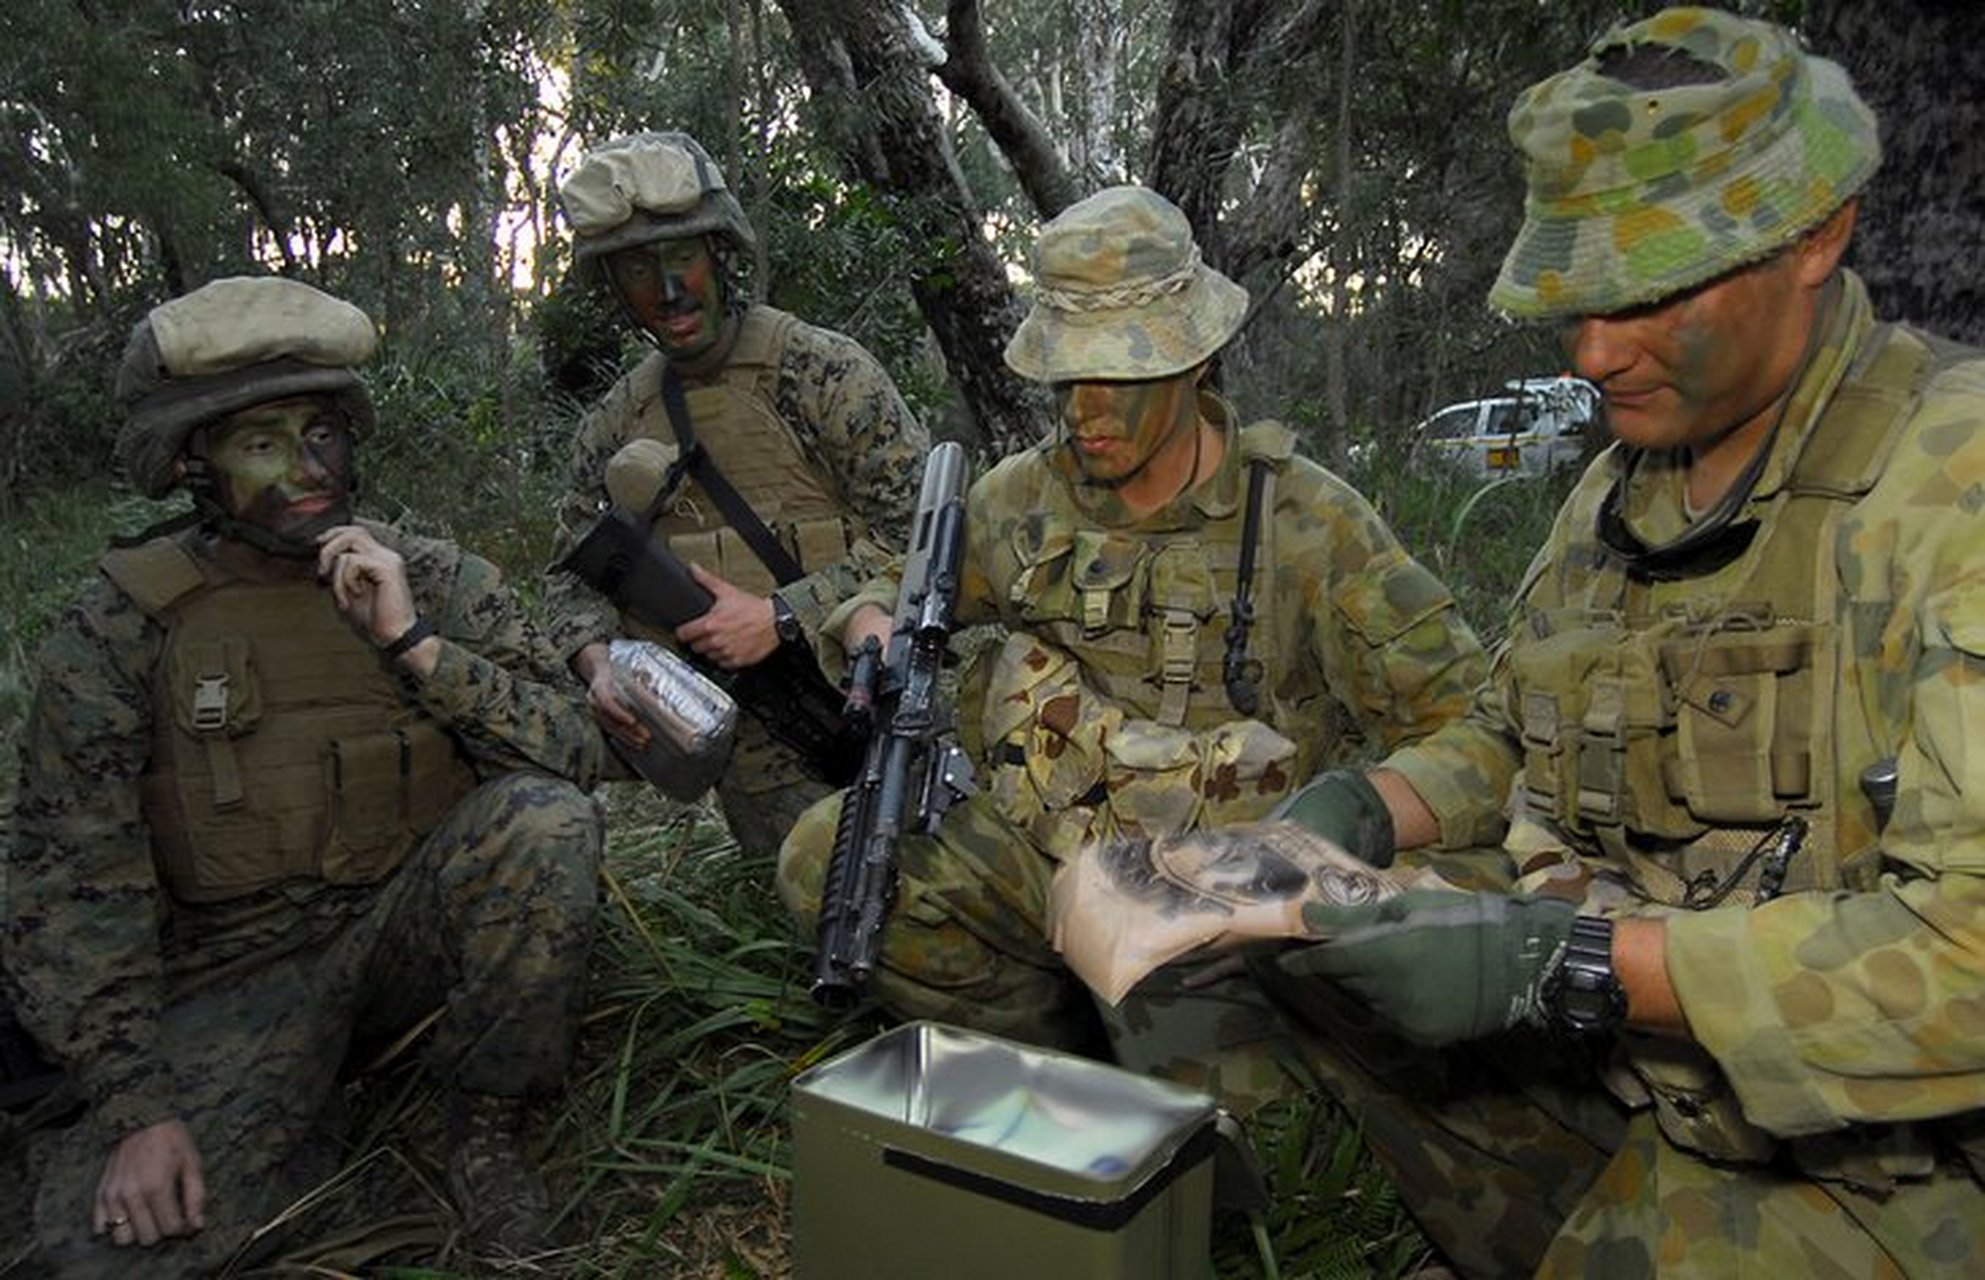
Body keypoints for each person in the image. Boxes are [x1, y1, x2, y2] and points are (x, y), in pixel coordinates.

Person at [1121, 8, 1985, 1275]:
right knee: (1287, 955)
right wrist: (1375, 801)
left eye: (1650, 292)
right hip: (1642, 1062)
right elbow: (1521, 728)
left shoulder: (1946, 486)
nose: (1590, 352)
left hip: (1885, 1155)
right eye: (1577, 296)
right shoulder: (1616, 492)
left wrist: (1572, 966)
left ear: (1816, 235)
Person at [777, 184, 1490, 1099]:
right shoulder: (1018, 500)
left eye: (1121, 372)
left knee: (1232, 1146)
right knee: (822, 857)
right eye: (1068, 376)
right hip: (1044, 846)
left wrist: (1325, 864)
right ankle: (1053, 1072)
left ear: (1197, 361)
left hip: (1215, 904)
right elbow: (911, 592)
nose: (1086, 410)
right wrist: (872, 621)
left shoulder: (1308, 524)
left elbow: (1471, 726)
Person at [2, 276, 607, 1275]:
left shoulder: (431, 576)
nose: (304, 468)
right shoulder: (125, 621)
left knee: (542, 821)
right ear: (195, 462)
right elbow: (72, 878)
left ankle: (478, 1124)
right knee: (104, 1252)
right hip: (229, 977)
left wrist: (415, 645)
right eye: (262, 442)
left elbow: (581, 756)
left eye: (321, 432)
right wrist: (135, 1105)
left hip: (409, 938)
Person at [545, 130, 931, 861]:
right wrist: (598, 667)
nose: (666, 290)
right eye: (636, 269)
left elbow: (929, 536)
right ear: (613, 288)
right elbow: (567, 578)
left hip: (871, 703)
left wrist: (784, 615)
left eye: (681, 258)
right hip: (747, 751)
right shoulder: (615, 421)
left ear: (720, 256)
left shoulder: (820, 375)